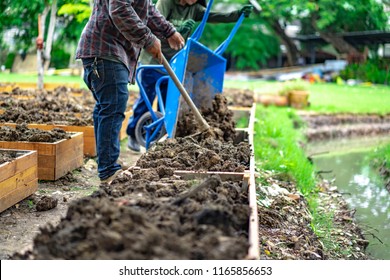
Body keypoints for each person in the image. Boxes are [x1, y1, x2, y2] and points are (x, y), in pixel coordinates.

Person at [76, 0, 185, 184]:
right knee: (113, 106)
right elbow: (119, 9)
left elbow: (146, 9)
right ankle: (109, 170)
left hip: (105, 51)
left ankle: (107, 164)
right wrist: (148, 39)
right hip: (105, 49)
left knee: (107, 108)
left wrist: (169, 31)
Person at [126, 0, 253, 152]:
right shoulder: (166, 3)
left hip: (174, 63)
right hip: (153, 60)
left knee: (167, 103)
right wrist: (175, 30)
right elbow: (153, 24)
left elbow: (214, 16)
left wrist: (237, 14)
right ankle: (133, 134)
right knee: (146, 98)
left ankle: (161, 138)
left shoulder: (194, 8)